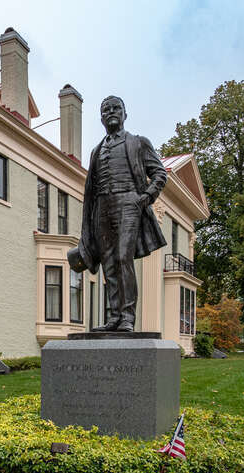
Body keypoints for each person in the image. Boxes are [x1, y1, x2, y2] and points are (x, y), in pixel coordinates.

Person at [68, 96, 168, 331]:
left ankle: (127, 318)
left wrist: (146, 197)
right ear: (101, 118)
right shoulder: (96, 151)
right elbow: (91, 189)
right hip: (102, 208)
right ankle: (114, 317)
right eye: (106, 109)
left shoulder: (138, 143)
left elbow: (159, 174)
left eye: (116, 108)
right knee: (109, 262)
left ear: (125, 114)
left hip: (129, 203)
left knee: (124, 258)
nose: (111, 112)